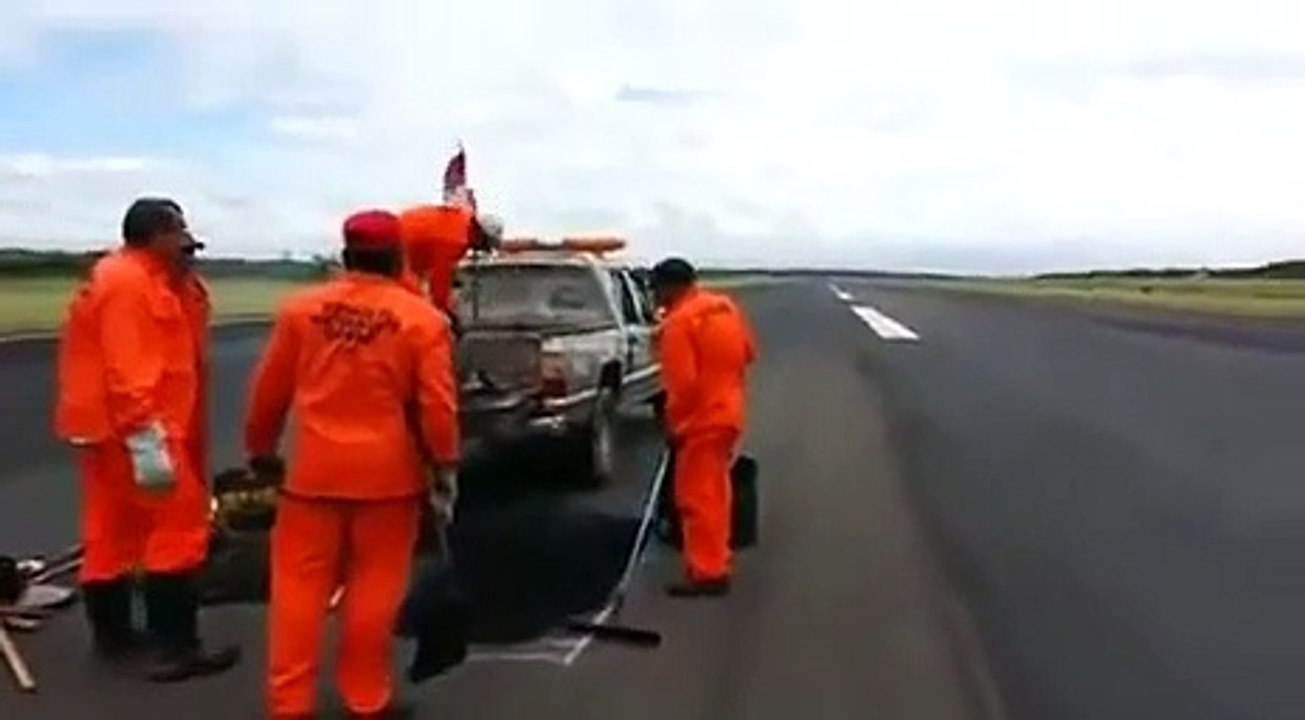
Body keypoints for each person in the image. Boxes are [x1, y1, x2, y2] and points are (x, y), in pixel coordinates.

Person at [243, 209, 461, 718]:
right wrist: (445, 465)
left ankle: (289, 702)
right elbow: (437, 405)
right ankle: (366, 697)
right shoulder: (422, 320)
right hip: (388, 480)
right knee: (375, 591)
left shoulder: (301, 310)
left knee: (297, 592)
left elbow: (269, 392)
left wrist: (260, 449)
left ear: (345, 255)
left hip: (311, 474)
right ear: (398, 258)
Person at [52, 197, 241, 681]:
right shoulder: (129, 284)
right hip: (142, 428)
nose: (187, 244)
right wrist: (146, 438)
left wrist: (183, 275)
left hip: (112, 428)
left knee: (112, 530)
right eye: (179, 234)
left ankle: (114, 636)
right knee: (177, 528)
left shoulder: (145, 278)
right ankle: (176, 647)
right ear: (157, 233)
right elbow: (128, 368)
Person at [648, 257, 757, 597]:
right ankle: (717, 558)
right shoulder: (724, 308)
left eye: (657, 290)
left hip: (701, 422)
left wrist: (674, 425)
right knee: (716, 493)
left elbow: (683, 386)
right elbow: (748, 353)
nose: (656, 298)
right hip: (729, 413)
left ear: (668, 288)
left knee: (695, 498)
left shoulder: (678, 324)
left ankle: (708, 573)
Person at [397, 203, 503, 323]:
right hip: (396, 252)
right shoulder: (455, 241)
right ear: (480, 235)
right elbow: (439, 284)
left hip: (404, 248)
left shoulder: (462, 220)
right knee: (412, 303)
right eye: (485, 245)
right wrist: (447, 314)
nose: (480, 249)